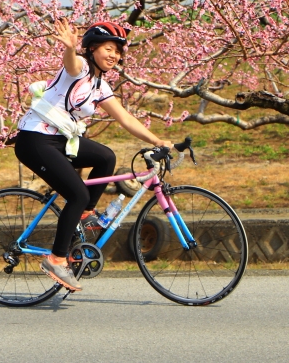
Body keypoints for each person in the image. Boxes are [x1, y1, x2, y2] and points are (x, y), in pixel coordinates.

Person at [14, 18, 172, 291]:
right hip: (35, 140)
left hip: (60, 140)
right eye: (108, 48)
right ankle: (57, 258)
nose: (114, 55)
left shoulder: (101, 86)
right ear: (92, 49)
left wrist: (157, 139)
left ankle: (85, 215)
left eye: (118, 51)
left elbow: (124, 118)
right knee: (77, 193)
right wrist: (69, 47)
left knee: (106, 157)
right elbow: (71, 64)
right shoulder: (82, 68)